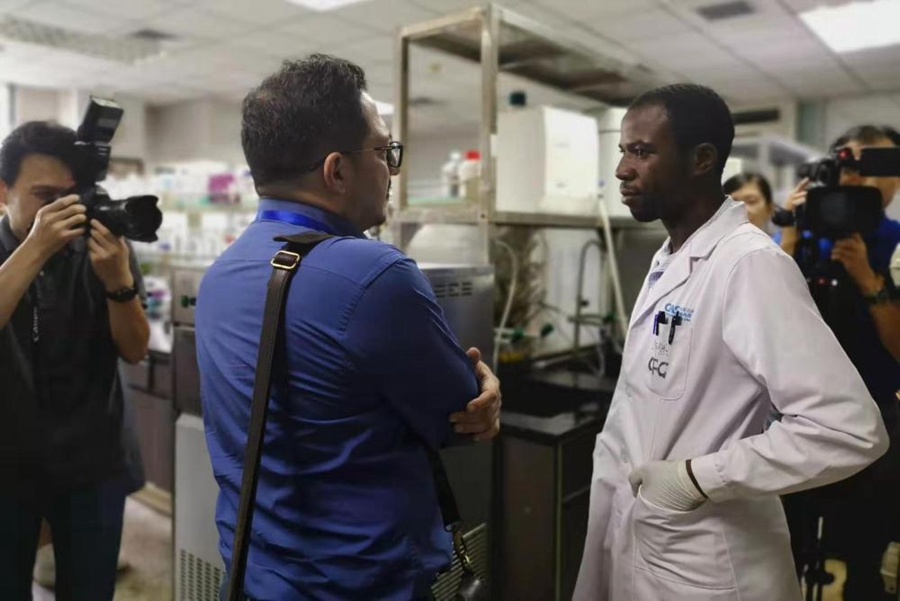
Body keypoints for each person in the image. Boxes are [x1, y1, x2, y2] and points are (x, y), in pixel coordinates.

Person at [196, 54, 502, 601]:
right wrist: (486, 391)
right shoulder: (375, 275)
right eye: (384, 152)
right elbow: (458, 418)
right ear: (336, 171)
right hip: (358, 583)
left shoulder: (221, 274)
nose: (391, 170)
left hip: (254, 574)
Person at [573, 84, 887, 601]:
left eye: (642, 152)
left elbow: (848, 427)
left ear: (701, 159)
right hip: (651, 538)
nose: (623, 170)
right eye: (624, 151)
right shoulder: (671, 258)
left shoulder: (749, 264)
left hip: (707, 557)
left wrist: (697, 479)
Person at [0, 121, 150, 600]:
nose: (63, 212)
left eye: (72, 197)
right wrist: (35, 248)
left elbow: (135, 349)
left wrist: (118, 283)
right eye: (45, 197)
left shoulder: (104, 246)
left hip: (93, 460)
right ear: (3, 192)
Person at [777, 125, 900, 600]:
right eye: (849, 163)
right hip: (799, 411)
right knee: (784, 543)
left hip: (875, 416)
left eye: (876, 165)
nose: (859, 176)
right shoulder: (805, 235)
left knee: (864, 554)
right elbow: (764, 318)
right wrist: (788, 236)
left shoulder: (897, 243)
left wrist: (868, 279)